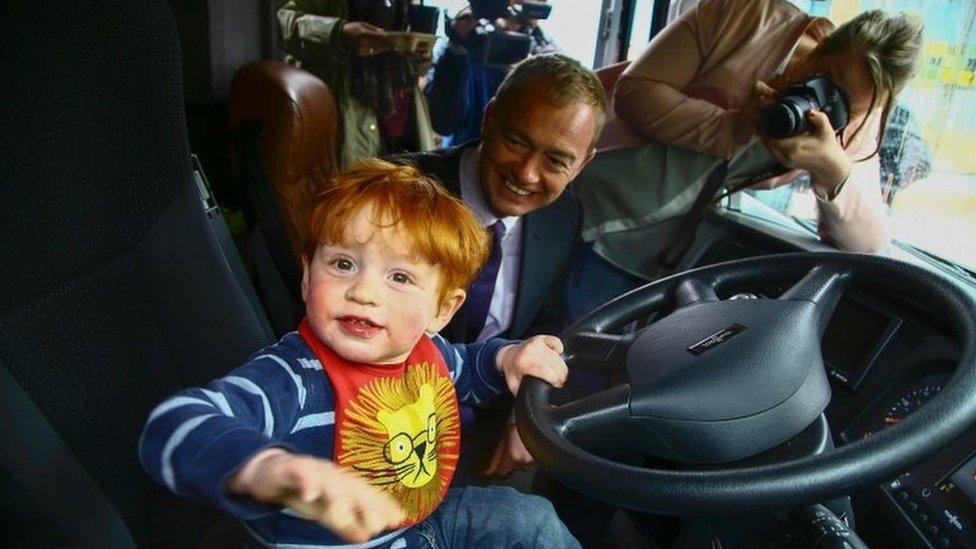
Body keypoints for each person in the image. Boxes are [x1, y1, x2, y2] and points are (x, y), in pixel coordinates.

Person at [139, 160, 579, 548]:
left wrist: (507, 358)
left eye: (400, 278)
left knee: (529, 518)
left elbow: (473, 365)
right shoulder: (292, 378)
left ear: (443, 309)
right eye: (343, 264)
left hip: (421, 524)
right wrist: (264, 470)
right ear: (308, 277)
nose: (363, 292)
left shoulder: (430, 354)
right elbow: (174, 426)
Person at [569, 0, 924, 316]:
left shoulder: (856, 127)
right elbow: (633, 92)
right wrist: (730, 126)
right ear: (819, 42)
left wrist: (831, 168)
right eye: (825, 78)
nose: (824, 103)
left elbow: (869, 244)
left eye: (844, 107)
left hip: (649, 257)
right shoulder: (742, 16)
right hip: (579, 190)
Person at [392, 53, 606, 479]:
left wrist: (525, 414)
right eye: (517, 141)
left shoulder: (564, 216)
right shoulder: (397, 192)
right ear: (489, 119)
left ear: (582, 165)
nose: (527, 174)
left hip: (493, 412)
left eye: (556, 161)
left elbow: (549, 324)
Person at [277, 0, 437, 168]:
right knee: (357, 188)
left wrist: (422, 55)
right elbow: (283, 22)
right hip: (349, 115)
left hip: (405, 119)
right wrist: (339, 33)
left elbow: (419, 68)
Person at [424, 1, 559, 147]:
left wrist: (532, 75)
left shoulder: (547, 55)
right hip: (462, 154)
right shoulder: (467, 39)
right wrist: (456, 51)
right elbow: (444, 123)